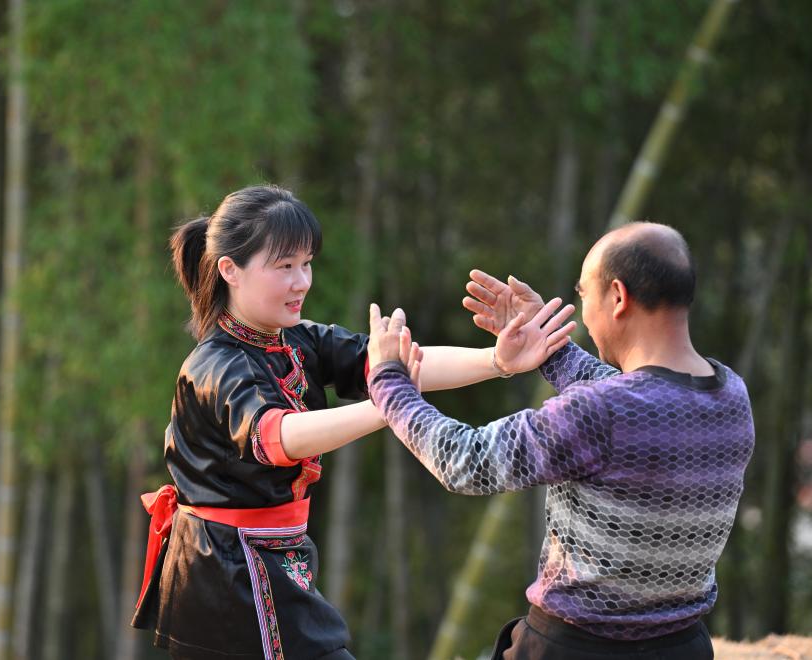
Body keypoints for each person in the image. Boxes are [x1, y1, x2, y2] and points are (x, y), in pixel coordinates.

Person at [131, 185, 544, 660]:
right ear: (230, 270)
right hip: (224, 574)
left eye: (306, 264)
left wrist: (497, 360)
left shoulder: (297, 340)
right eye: (284, 266)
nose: (302, 282)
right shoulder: (216, 366)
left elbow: (399, 363)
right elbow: (277, 436)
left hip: (271, 559)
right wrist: (388, 404)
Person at [366, 222, 754, 660]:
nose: (583, 313)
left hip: (577, 649)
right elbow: (638, 403)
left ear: (618, 297)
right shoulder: (731, 394)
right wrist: (551, 347)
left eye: (584, 295)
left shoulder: (602, 411)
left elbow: (465, 461)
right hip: (684, 647)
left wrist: (389, 380)